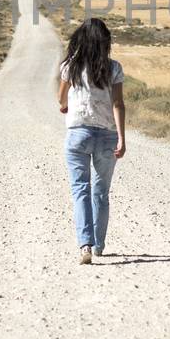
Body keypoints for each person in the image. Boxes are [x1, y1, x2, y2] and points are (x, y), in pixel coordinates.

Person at [56, 17, 127, 264]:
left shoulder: (70, 67)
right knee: (101, 192)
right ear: (105, 41)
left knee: (80, 190)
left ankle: (85, 245)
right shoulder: (114, 68)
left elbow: (61, 99)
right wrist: (121, 138)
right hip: (107, 135)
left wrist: (67, 107)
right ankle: (99, 246)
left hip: (78, 135)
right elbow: (118, 104)